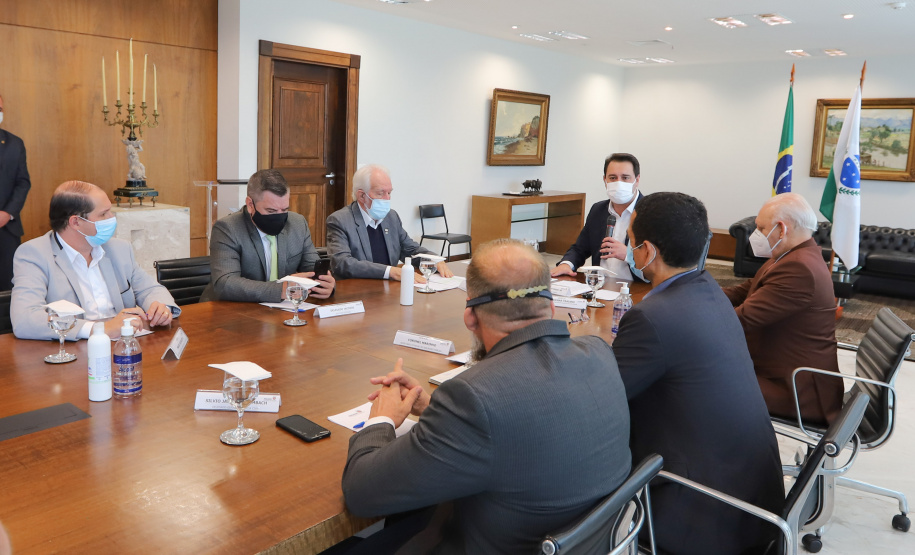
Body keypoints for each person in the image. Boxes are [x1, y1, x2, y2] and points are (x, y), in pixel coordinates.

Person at [341, 239, 631, 554]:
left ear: (470, 316)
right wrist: (434, 410)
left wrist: (380, 419)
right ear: (550, 308)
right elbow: (516, 426)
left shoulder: (474, 397)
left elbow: (361, 494)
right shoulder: (599, 353)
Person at [612, 192, 784, 555]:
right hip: (753, 497)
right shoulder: (708, 291)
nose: (629, 249)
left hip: (701, 509)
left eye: (630, 241)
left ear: (648, 251)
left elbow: (603, 399)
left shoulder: (652, 316)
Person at [723, 193, 843, 424]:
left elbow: (740, 320)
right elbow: (744, 290)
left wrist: (691, 316)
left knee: (693, 380)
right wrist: (698, 295)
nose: (755, 233)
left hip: (797, 391)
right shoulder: (792, 255)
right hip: (781, 375)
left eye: (760, 227)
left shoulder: (800, 268)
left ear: (781, 229)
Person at [11, 181, 178, 340]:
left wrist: (159, 307)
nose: (112, 218)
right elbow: (25, 319)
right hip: (70, 354)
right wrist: (99, 330)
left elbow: (150, 289)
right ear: (76, 222)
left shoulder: (119, 249)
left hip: (124, 346)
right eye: (104, 214)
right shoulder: (34, 254)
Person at [201, 169, 335, 302]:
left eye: (284, 209)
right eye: (271, 210)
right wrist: (280, 289)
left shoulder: (297, 224)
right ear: (250, 205)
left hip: (283, 310)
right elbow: (226, 284)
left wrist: (324, 284)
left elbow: (311, 267)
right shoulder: (228, 229)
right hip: (233, 310)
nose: (279, 215)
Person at [326, 164, 452, 281]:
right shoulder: (340, 220)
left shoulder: (391, 217)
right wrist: (390, 271)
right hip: (357, 291)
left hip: (389, 290)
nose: (387, 199)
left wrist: (434, 259)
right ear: (361, 196)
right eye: (380, 193)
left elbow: (410, 250)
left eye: (389, 193)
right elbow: (342, 264)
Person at [552, 152, 645, 281]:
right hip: (599, 286)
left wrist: (629, 255)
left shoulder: (651, 212)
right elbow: (580, 248)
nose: (618, 183)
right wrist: (566, 264)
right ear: (604, 180)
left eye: (625, 178)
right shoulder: (598, 210)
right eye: (612, 178)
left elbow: (662, 261)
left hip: (637, 289)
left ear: (637, 180)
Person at [0, 94, 32, 291]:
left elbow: (23, 182)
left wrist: (7, 213)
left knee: (7, 286)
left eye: (0, 109)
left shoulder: (14, 143)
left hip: (6, 229)